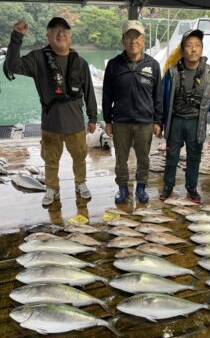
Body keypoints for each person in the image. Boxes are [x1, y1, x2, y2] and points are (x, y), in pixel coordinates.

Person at [4, 17, 97, 206]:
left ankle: (81, 184)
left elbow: (89, 92)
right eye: (55, 29)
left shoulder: (81, 62)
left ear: (70, 37)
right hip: (50, 124)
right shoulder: (38, 58)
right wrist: (16, 37)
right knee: (50, 160)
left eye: (65, 30)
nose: (60, 33)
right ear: (48, 35)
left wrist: (93, 117)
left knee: (79, 158)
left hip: (76, 124)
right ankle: (52, 188)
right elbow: (13, 66)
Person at [160, 29, 210, 203]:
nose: (193, 49)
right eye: (189, 46)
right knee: (171, 156)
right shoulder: (172, 72)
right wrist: (157, 121)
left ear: (202, 49)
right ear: (183, 49)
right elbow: (162, 99)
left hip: (196, 122)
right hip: (175, 121)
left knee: (194, 158)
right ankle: (168, 185)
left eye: (197, 46)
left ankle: (191, 188)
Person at [102, 20, 163, 204]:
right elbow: (106, 95)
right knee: (121, 159)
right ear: (123, 40)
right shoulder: (114, 65)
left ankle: (142, 186)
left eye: (137, 37)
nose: (133, 41)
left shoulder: (153, 65)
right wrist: (108, 121)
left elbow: (158, 95)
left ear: (143, 40)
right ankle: (122, 187)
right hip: (120, 121)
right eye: (129, 36)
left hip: (145, 122)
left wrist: (158, 121)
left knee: (143, 158)